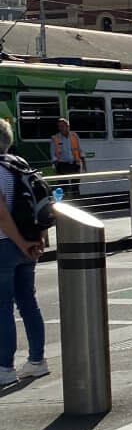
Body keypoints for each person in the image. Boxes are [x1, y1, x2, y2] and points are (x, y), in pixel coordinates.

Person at [0, 118, 49, 386]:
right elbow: (37, 205)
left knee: (2, 307)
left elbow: (2, 216)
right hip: (28, 243)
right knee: (28, 303)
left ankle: (5, 367)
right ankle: (37, 361)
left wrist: (19, 242)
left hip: (5, 245)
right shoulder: (20, 165)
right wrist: (35, 240)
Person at [50, 117, 84, 197]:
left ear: (68, 126)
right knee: (63, 188)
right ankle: (64, 203)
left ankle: (76, 201)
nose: (60, 128)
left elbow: (80, 150)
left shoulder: (74, 136)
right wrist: (56, 166)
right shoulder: (55, 138)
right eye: (59, 126)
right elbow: (53, 154)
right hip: (62, 166)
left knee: (75, 187)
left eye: (62, 126)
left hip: (75, 165)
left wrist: (83, 164)